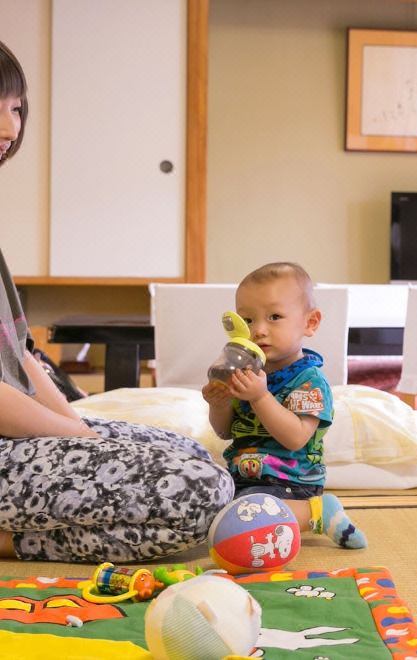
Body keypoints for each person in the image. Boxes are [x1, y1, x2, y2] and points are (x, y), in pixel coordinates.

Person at [0, 40, 234, 562]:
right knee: (202, 494)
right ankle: (13, 542)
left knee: (197, 455)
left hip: (15, 436)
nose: (10, 128)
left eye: (15, 108)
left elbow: (21, 357)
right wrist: (76, 437)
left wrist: (76, 426)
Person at [202, 262, 367, 549]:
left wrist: (260, 397)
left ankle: (316, 512)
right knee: (205, 502)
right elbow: (225, 432)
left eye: (275, 317)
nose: (258, 330)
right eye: (248, 320)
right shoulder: (248, 373)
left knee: (241, 519)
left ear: (310, 323)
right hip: (242, 477)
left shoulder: (308, 380)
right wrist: (220, 405)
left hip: (290, 483)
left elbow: (296, 438)